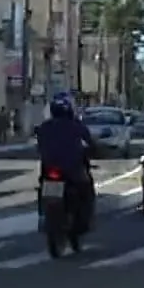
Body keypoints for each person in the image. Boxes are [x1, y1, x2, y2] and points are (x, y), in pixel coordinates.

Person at [34, 92, 98, 227]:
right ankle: (85, 219)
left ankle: (43, 215)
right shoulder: (75, 124)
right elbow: (90, 141)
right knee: (86, 188)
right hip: (72, 169)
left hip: (50, 169)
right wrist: (93, 149)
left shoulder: (45, 126)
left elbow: (39, 146)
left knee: (44, 186)